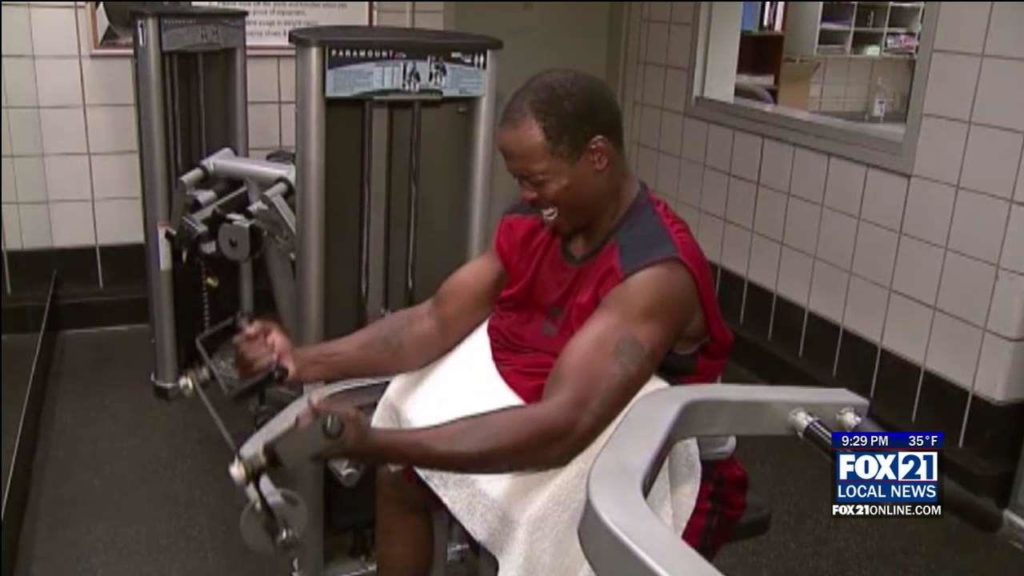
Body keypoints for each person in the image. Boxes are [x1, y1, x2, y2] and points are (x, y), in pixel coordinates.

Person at [236, 68, 747, 574]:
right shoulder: (536, 222)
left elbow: (563, 427)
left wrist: (374, 441)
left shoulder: (654, 273)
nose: (527, 195)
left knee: (544, 548)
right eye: (519, 179)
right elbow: (434, 320)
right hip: (549, 413)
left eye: (538, 179)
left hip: (653, 468)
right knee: (401, 479)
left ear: (597, 156)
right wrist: (301, 360)